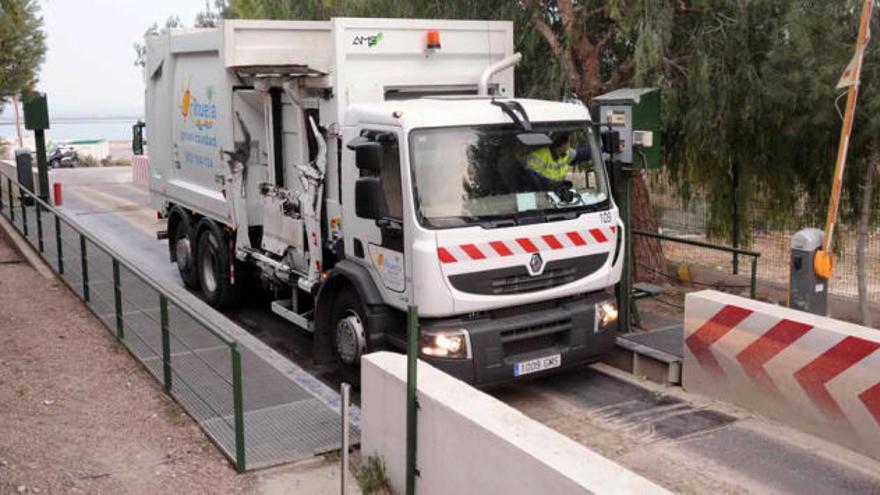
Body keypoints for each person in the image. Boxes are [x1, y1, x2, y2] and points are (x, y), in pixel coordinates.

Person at [523, 131, 590, 190]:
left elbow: (581, 154)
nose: (570, 144)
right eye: (569, 141)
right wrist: (553, 185)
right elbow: (532, 178)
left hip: (557, 195)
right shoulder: (538, 156)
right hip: (541, 195)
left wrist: (598, 150)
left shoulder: (567, 153)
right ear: (564, 144)